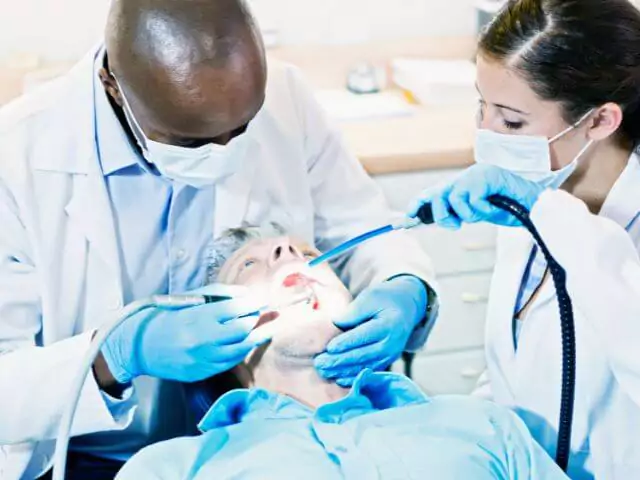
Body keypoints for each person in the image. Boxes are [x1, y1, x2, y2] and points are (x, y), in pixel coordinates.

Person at [0, 0, 437, 478]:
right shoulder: (18, 159)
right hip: (88, 455)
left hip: (264, 443)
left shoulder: (284, 98)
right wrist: (116, 357)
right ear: (115, 87)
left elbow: (358, 225)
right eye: (190, 141)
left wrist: (404, 285)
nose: (227, 151)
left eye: (243, 127)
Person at [115, 226, 567, 480]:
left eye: (309, 252)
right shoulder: (172, 470)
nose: (286, 250)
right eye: (249, 266)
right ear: (214, 340)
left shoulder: (483, 426)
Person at [409, 0, 640, 478]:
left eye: (511, 121)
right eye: (481, 106)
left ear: (600, 120)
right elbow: (517, 369)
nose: (486, 132)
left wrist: (544, 214)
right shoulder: (543, 189)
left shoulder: (548, 208)